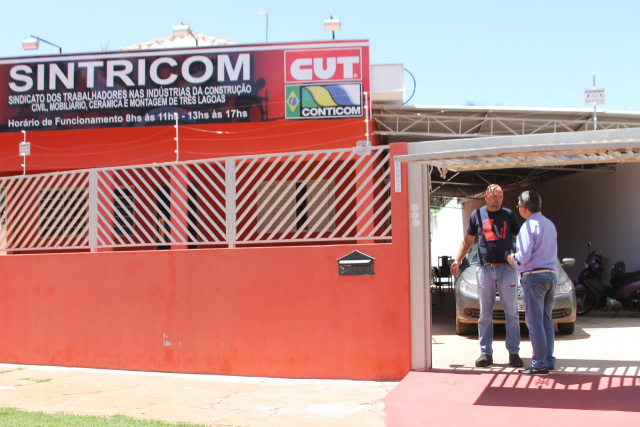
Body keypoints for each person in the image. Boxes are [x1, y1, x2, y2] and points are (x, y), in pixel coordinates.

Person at [451, 184, 522, 368]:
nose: (498, 200)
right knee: (485, 314)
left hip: (507, 270)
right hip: (485, 270)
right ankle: (485, 353)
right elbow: (468, 240)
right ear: (486, 197)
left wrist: (523, 259)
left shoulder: (509, 215)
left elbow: (522, 239)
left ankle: (514, 353)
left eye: (500, 196)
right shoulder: (477, 215)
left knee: (512, 313)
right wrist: (458, 260)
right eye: (494, 197)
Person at [507, 191, 558, 376]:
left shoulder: (528, 227)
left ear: (524, 207)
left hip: (533, 277)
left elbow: (524, 256)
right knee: (546, 320)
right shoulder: (549, 224)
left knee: (534, 322)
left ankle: (539, 364)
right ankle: (548, 360)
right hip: (550, 275)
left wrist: (512, 258)